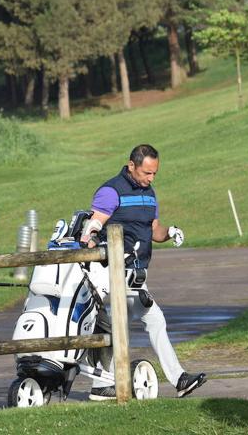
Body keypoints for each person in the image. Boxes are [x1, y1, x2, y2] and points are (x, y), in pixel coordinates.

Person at [80, 144, 207, 400]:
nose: (150, 178)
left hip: (136, 275)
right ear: (131, 166)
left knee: (120, 329)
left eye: (154, 174)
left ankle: (103, 385)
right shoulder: (110, 190)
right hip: (112, 274)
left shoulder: (150, 194)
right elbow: (95, 222)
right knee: (150, 321)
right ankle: (178, 378)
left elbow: (154, 230)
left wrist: (169, 232)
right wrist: (91, 231)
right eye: (146, 173)